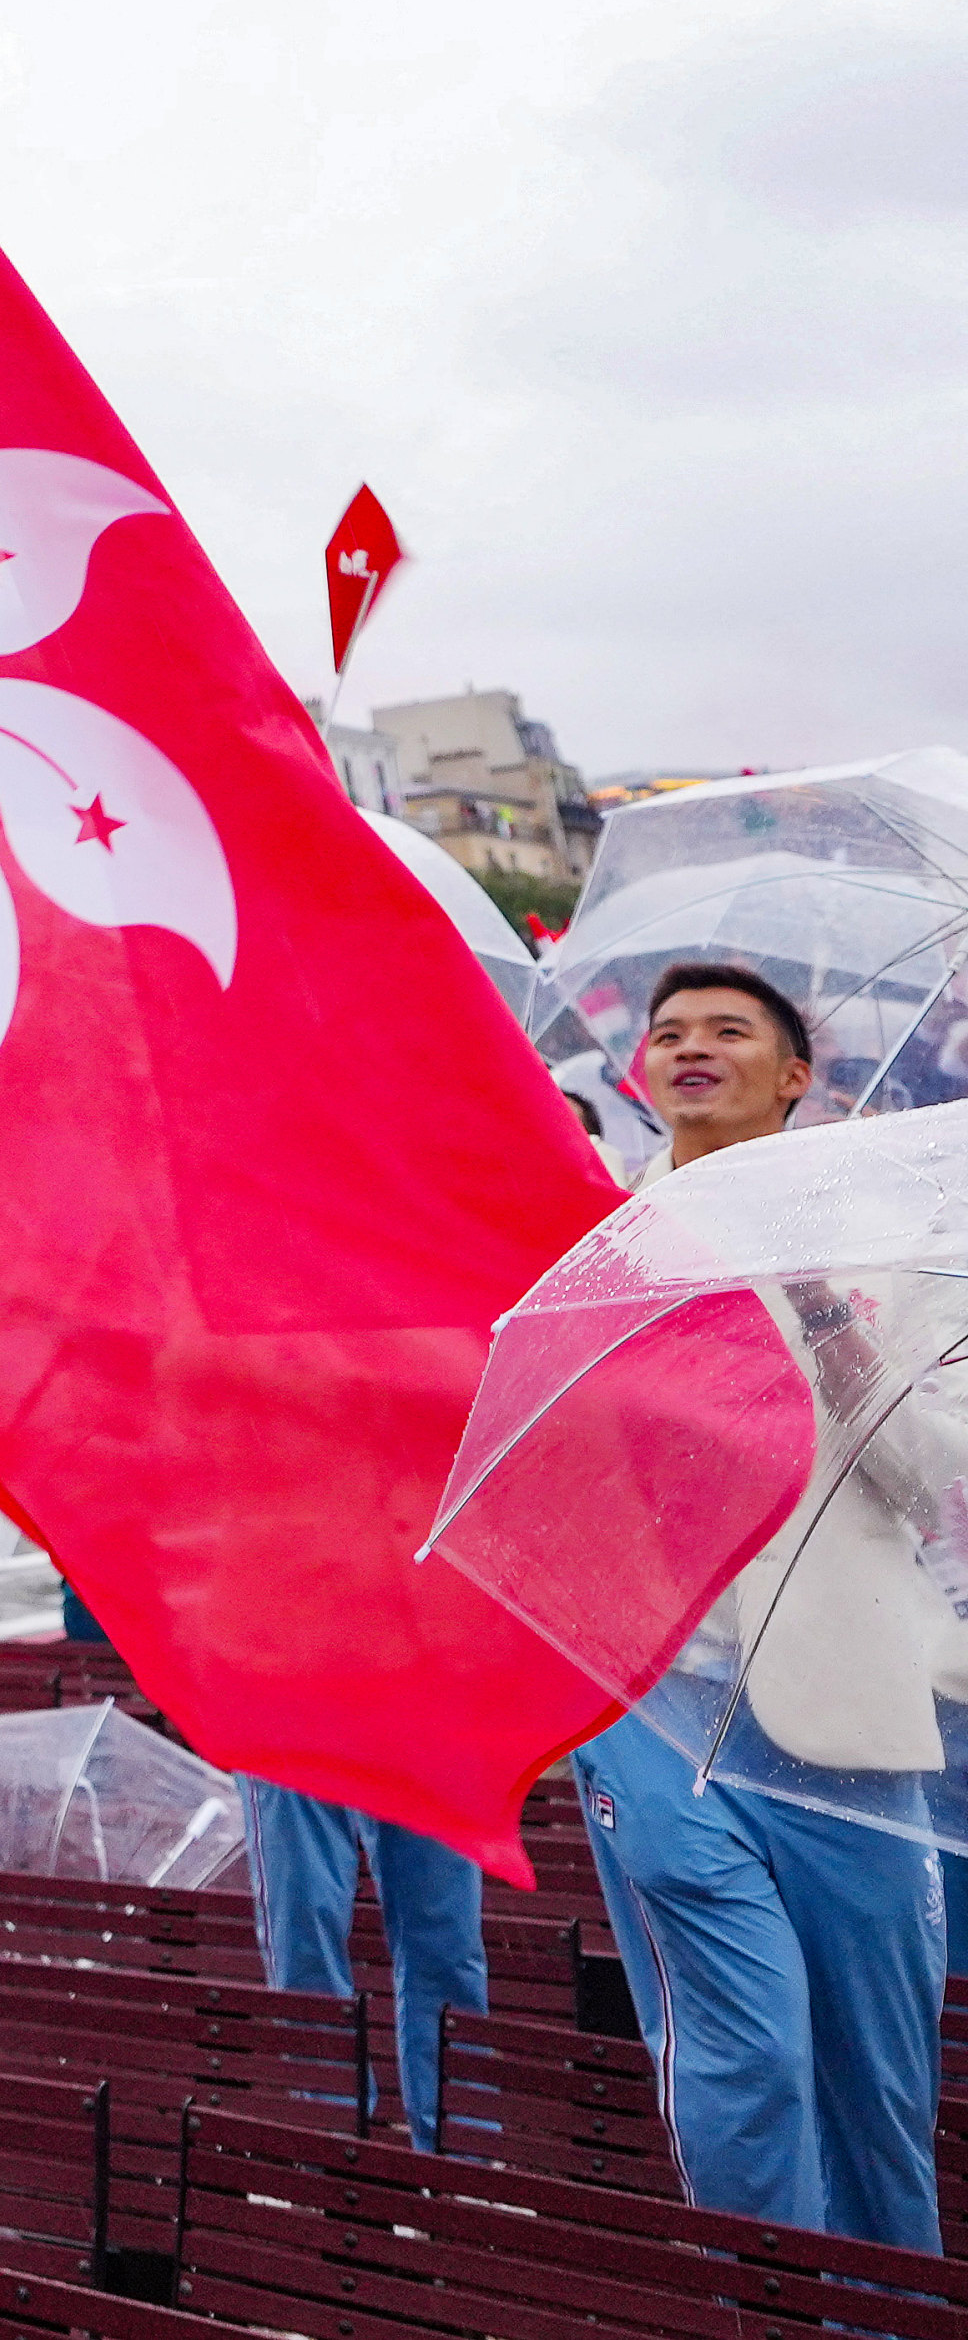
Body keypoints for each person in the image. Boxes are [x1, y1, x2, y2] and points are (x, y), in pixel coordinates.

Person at [568, 960, 945, 2249]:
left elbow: (931, 1478)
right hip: (652, 1698)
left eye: (728, 1029)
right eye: (667, 1030)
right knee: (744, 2057)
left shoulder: (891, 1246)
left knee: (879, 2088)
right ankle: (759, 2305)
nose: (688, 1046)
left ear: (794, 1077)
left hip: (846, 1706)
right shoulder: (584, 1244)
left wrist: (819, 1301)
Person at [234, 1784, 486, 2152]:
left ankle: (464, 2160)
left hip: (426, 1730)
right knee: (304, 1938)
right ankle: (332, 2159)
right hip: (289, 1731)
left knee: (448, 1940)